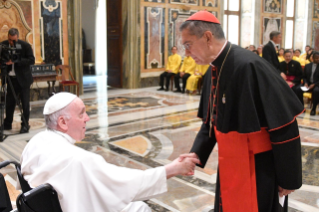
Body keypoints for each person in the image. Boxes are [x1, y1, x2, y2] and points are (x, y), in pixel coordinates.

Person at [179, 11, 303, 212]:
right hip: (230, 164)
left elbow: (284, 126)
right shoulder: (213, 70)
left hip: (260, 168)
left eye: (188, 44)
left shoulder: (251, 66)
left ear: (208, 37)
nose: (186, 53)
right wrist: (195, 155)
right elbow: (211, 122)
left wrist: (289, 178)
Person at [19, 92, 199, 212]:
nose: (87, 118)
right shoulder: (80, 160)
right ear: (63, 122)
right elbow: (128, 183)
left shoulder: (34, 143)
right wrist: (173, 168)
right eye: (81, 114)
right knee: (139, 207)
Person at [0, 28, 35, 133]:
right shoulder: (3, 45)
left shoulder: (25, 46)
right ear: (8, 37)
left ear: (18, 37)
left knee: (25, 104)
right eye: (10, 40)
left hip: (23, 79)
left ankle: (25, 124)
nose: (11, 42)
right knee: (9, 103)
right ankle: (7, 123)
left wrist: (16, 61)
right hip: (10, 79)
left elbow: (31, 60)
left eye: (14, 40)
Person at [303, 51, 319, 115]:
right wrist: (305, 83)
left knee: (316, 91)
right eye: (316, 58)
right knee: (297, 89)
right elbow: (304, 77)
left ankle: (313, 109)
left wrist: (314, 84)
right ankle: (301, 107)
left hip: (317, 84)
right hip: (308, 84)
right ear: (312, 58)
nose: (318, 59)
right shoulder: (307, 66)